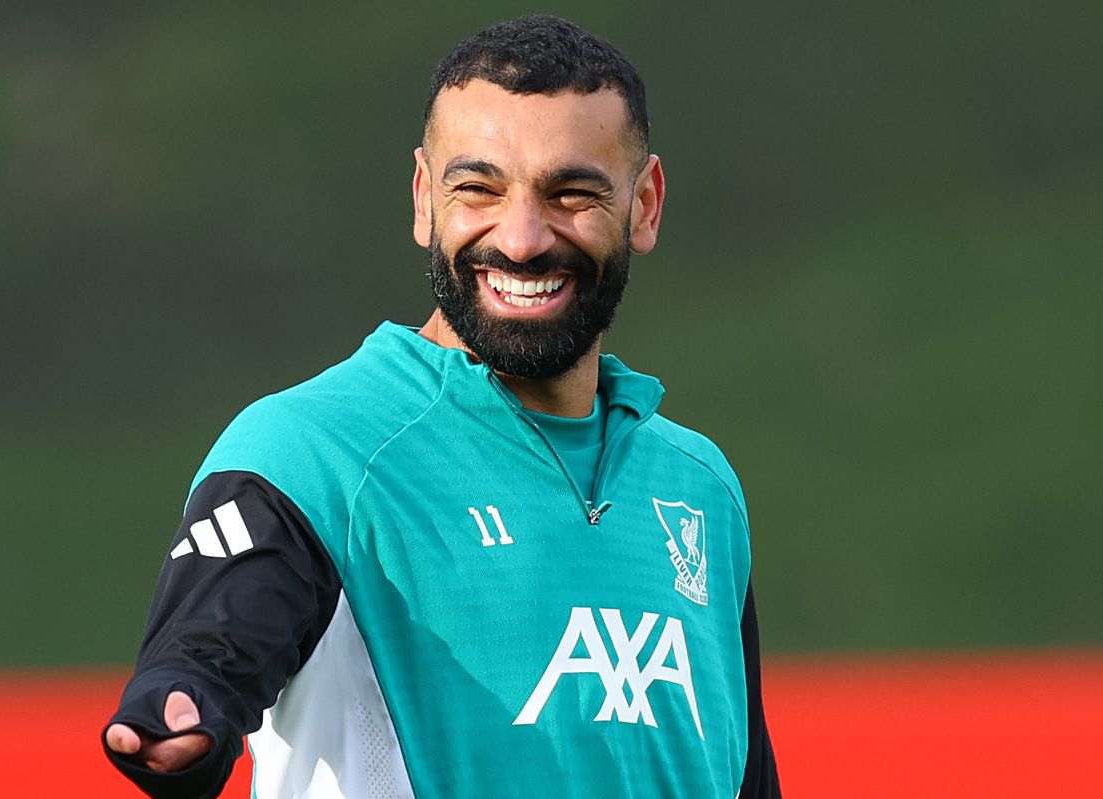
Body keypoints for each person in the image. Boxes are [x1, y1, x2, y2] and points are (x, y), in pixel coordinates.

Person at [103, 14, 779, 799]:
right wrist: (186, 697)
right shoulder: (310, 454)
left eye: (571, 193)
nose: (521, 239)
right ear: (425, 197)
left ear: (646, 204)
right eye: (479, 189)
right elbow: (212, 644)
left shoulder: (701, 488)